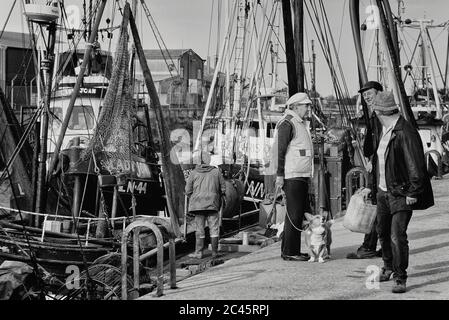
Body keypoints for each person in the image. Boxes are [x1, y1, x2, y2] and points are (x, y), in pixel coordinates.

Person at [371, 91, 434, 293]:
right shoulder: (386, 129)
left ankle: (400, 277)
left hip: (401, 192)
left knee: (397, 235)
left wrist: (412, 192)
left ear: (380, 112)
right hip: (383, 190)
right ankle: (388, 266)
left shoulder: (405, 131)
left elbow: (416, 166)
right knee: (382, 231)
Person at [274, 92, 313, 261]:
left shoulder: (298, 123)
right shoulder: (288, 123)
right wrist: (280, 175)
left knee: (297, 214)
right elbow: (280, 151)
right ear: (295, 106)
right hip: (293, 175)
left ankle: (290, 250)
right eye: (305, 105)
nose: (307, 108)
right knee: (294, 214)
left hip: (301, 174)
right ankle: (290, 251)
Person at [347, 80, 384, 259]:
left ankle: (370, 246)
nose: (367, 97)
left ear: (379, 93)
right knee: (379, 208)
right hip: (375, 165)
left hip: (381, 169)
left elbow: (383, 143)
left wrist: (374, 161)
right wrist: (371, 157)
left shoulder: (381, 114)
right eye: (364, 95)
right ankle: (378, 247)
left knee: (378, 208)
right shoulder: (372, 114)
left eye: (370, 93)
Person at [185, 151, 226, 259]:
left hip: (197, 206)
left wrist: (195, 199)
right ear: (209, 160)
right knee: (214, 229)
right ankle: (214, 253)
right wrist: (217, 197)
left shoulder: (193, 173)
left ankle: (199, 253)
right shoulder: (216, 172)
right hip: (213, 205)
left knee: (200, 229)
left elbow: (187, 190)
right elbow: (223, 188)